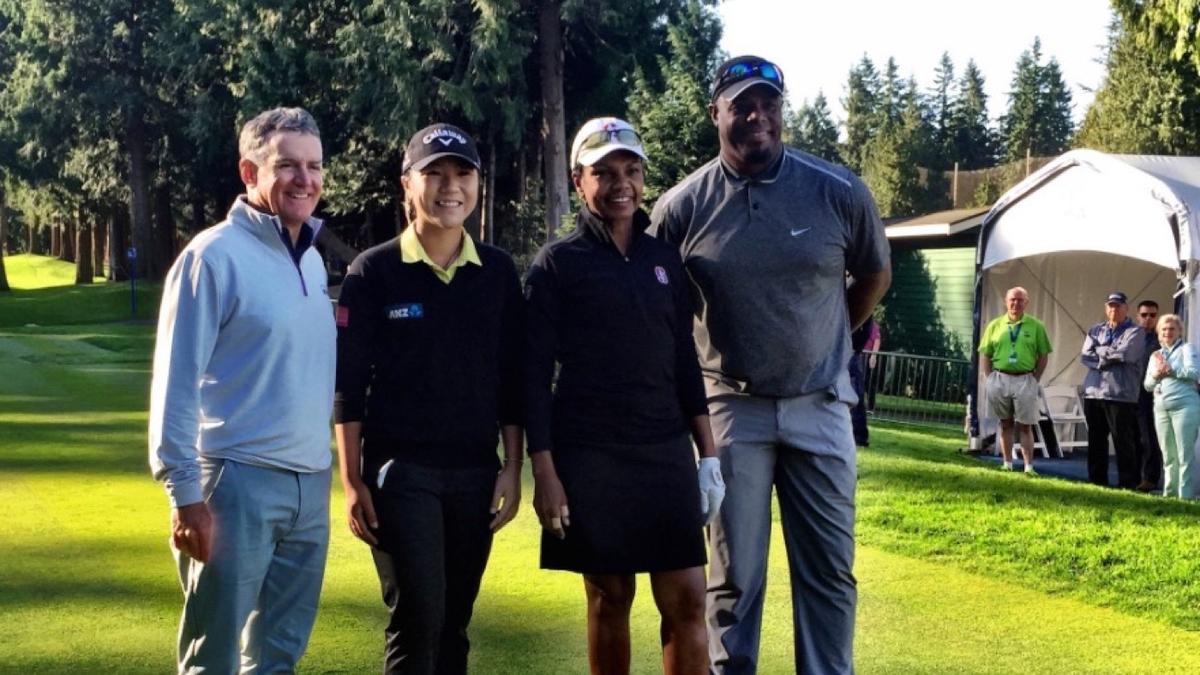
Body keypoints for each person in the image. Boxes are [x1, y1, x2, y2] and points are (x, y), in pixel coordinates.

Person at [650, 55, 891, 674]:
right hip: (731, 409)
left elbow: (873, 273)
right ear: (717, 114)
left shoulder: (836, 190)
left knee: (831, 574)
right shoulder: (681, 208)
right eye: (742, 106)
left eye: (769, 105)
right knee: (735, 580)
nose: (758, 117)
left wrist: (831, 335)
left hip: (822, 405)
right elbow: (659, 309)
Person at [524, 117, 724, 675]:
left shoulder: (664, 261)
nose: (621, 185)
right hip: (589, 454)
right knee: (611, 598)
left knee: (688, 599)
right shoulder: (557, 265)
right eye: (604, 172)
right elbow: (533, 377)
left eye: (632, 171)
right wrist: (544, 471)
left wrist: (708, 456)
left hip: (663, 451)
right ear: (578, 179)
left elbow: (685, 359)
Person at [148, 107, 335, 673]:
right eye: (287, 165)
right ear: (249, 173)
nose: (305, 179)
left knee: (278, 655)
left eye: (314, 165)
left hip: (309, 484)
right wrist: (185, 496)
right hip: (234, 485)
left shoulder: (313, 261)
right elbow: (174, 385)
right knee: (216, 656)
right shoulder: (213, 256)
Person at [333, 123, 524, 674]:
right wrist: (351, 481)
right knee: (419, 619)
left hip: (474, 474)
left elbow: (512, 379)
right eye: (434, 173)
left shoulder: (498, 273)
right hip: (401, 473)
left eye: (462, 173)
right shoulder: (373, 272)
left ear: (478, 184)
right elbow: (349, 389)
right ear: (406, 185)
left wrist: (511, 468)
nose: (450, 187)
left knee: (454, 626)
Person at [977, 286, 1052, 473]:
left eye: (1020, 300)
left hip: (1025, 379)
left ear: (1026, 303)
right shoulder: (995, 325)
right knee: (1005, 423)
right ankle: (1007, 464)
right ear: (1006, 301)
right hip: (1000, 377)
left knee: (1026, 425)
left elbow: (1043, 355)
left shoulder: (1036, 326)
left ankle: (1028, 467)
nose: (1015, 303)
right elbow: (986, 353)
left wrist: (1035, 378)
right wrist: (990, 378)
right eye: (1012, 299)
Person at [1080, 291, 1146, 489]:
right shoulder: (1095, 330)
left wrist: (1100, 352)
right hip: (1094, 391)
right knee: (1096, 438)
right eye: (1110, 305)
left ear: (1126, 308)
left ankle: (1128, 482)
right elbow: (1085, 355)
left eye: (1118, 306)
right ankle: (1096, 480)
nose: (1113, 309)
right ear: (1105, 308)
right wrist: (1108, 355)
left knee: (1122, 440)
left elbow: (1126, 354)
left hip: (1120, 394)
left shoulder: (1135, 331)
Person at [1144, 313, 1200, 499]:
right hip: (1161, 407)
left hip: (1185, 406)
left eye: (1172, 329)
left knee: (1184, 454)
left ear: (1179, 332)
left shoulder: (1187, 349)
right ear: (1159, 333)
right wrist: (1156, 376)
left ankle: (1185, 496)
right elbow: (1147, 385)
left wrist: (1172, 371)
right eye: (1164, 329)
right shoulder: (1155, 355)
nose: (1167, 332)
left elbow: (1194, 372)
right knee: (1168, 455)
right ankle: (1169, 494)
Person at [1135, 300, 1163, 492]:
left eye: (1152, 315)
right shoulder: (1131, 337)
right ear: (1138, 316)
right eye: (1144, 315)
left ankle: (1150, 478)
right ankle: (1132, 475)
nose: (1148, 319)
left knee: (1149, 439)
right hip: (1129, 394)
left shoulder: (1161, 339)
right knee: (1132, 438)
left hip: (1150, 395)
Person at [848, 316, 881, 447]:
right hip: (854, 352)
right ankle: (859, 436)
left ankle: (859, 435)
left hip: (851, 351)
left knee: (856, 394)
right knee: (857, 395)